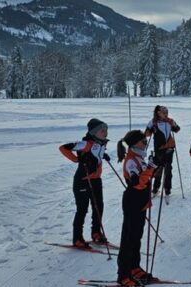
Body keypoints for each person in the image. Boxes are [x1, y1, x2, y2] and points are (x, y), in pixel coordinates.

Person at [114, 130, 158, 287]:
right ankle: (123, 275)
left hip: (141, 201)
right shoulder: (131, 161)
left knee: (136, 237)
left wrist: (155, 165)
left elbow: (146, 176)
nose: (145, 143)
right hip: (133, 200)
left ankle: (134, 267)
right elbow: (137, 182)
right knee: (128, 239)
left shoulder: (140, 157)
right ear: (134, 143)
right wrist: (150, 168)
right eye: (142, 141)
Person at [59, 118, 110, 247]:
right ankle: (77, 238)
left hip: (96, 180)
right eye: (102, 130)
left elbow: (96, 154)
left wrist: (103, 155)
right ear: (94, 132)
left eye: (106, 130)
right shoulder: (85, 144)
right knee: (82, 209)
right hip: (82, 180)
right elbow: (63, 148)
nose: (105, 132)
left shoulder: (102, 143)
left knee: (99, 207)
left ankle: (96, 233)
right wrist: (77, 159)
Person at [145, 105, 181, 196]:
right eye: (163, 112)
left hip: (169, 148)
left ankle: (167, 188)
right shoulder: (153, 122)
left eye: (166, 112)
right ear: (158, 113)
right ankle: (156, 187)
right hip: (159, 149)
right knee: (158, 168)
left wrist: (174, 124)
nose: (165, 114)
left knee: (168, 168)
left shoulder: (170, 121)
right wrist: (151, 129)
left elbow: (177, 129)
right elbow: (146, 134)